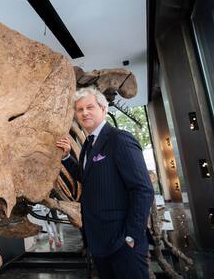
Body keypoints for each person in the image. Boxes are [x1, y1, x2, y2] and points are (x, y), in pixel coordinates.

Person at [56, 87, 154, 279]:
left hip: (123, 244)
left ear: (103, 109)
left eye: (90, 107)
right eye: (79, 109)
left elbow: (142, 190)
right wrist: (67, 157)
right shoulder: (88, 145)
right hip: (99, 243)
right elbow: (87, 177)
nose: (84, 113)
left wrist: (130, 236)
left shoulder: (119, 139)